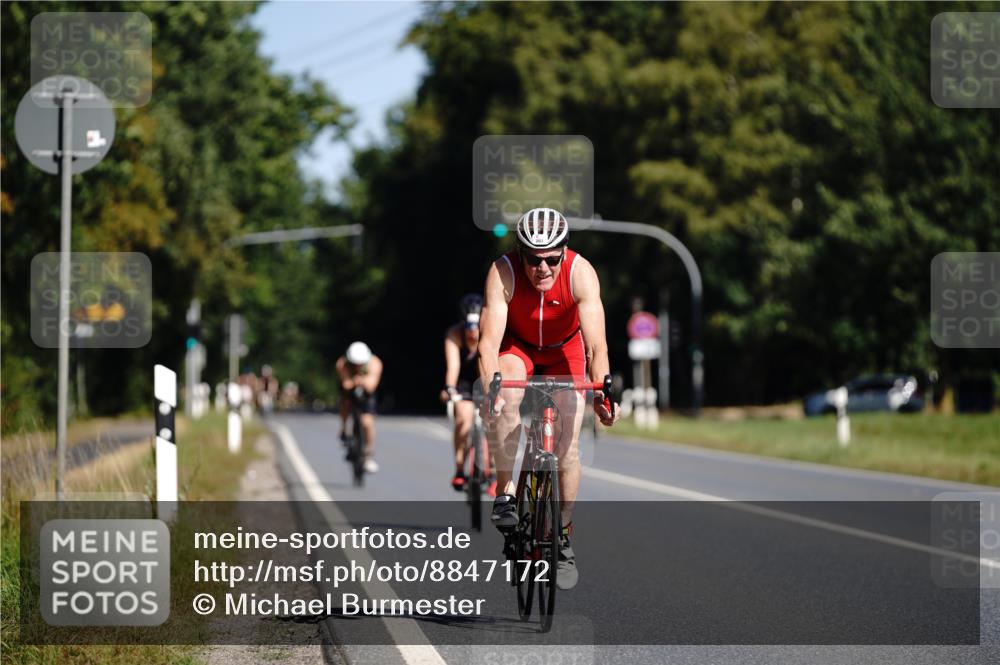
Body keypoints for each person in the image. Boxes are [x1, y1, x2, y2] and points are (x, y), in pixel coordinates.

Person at [478, 207, 619, 590]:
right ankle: (507, 491)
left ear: (564, 252)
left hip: (564, 349)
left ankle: (562, 536)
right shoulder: (502, 272)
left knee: (568, 449)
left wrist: (603, 393)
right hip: (518, 346)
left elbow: (596, 346)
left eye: (551, 259)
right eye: (533, 259)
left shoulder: (581, 273)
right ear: (520, 253)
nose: (543, 268)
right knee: (506, 391)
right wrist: (491, 389)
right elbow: (488, 343)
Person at [440, 293, 496, 496]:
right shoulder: (454, 335)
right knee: (463, 418)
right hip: (464, 382)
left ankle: (494, 472)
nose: (472, 332)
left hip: (486, 379)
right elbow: (453, 365)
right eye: (468, 327)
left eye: (476, 326)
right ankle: (460, 469)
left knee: (494, 421)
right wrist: (449, 387)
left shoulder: (490, 332)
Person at [336, 341, 383, 473]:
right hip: (350, 392)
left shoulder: (375, 363)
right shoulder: (342, 364)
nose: (357, 366)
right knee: (344, 404)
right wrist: (354, 382)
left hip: (367, 393)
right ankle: (344, 429)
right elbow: (346, 384)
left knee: (367, 422)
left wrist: (359, 381)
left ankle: (368, 455)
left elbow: (371, 385)